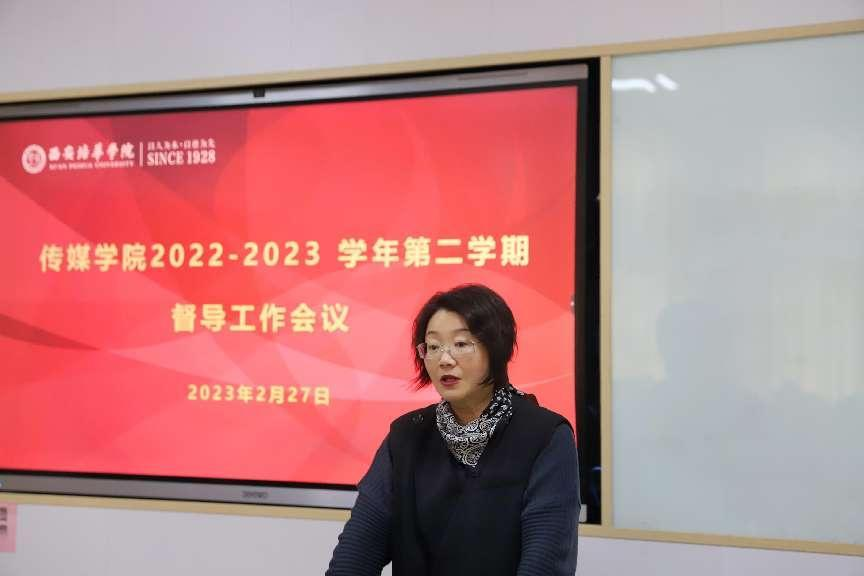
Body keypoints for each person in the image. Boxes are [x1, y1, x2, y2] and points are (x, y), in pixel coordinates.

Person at [326, 284, 579, 575]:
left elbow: (545, 565)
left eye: (461, 344)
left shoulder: (544, 436)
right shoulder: (406, 436)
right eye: (433, 347)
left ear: (496, 346)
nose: (445, 359)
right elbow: (356, 554)